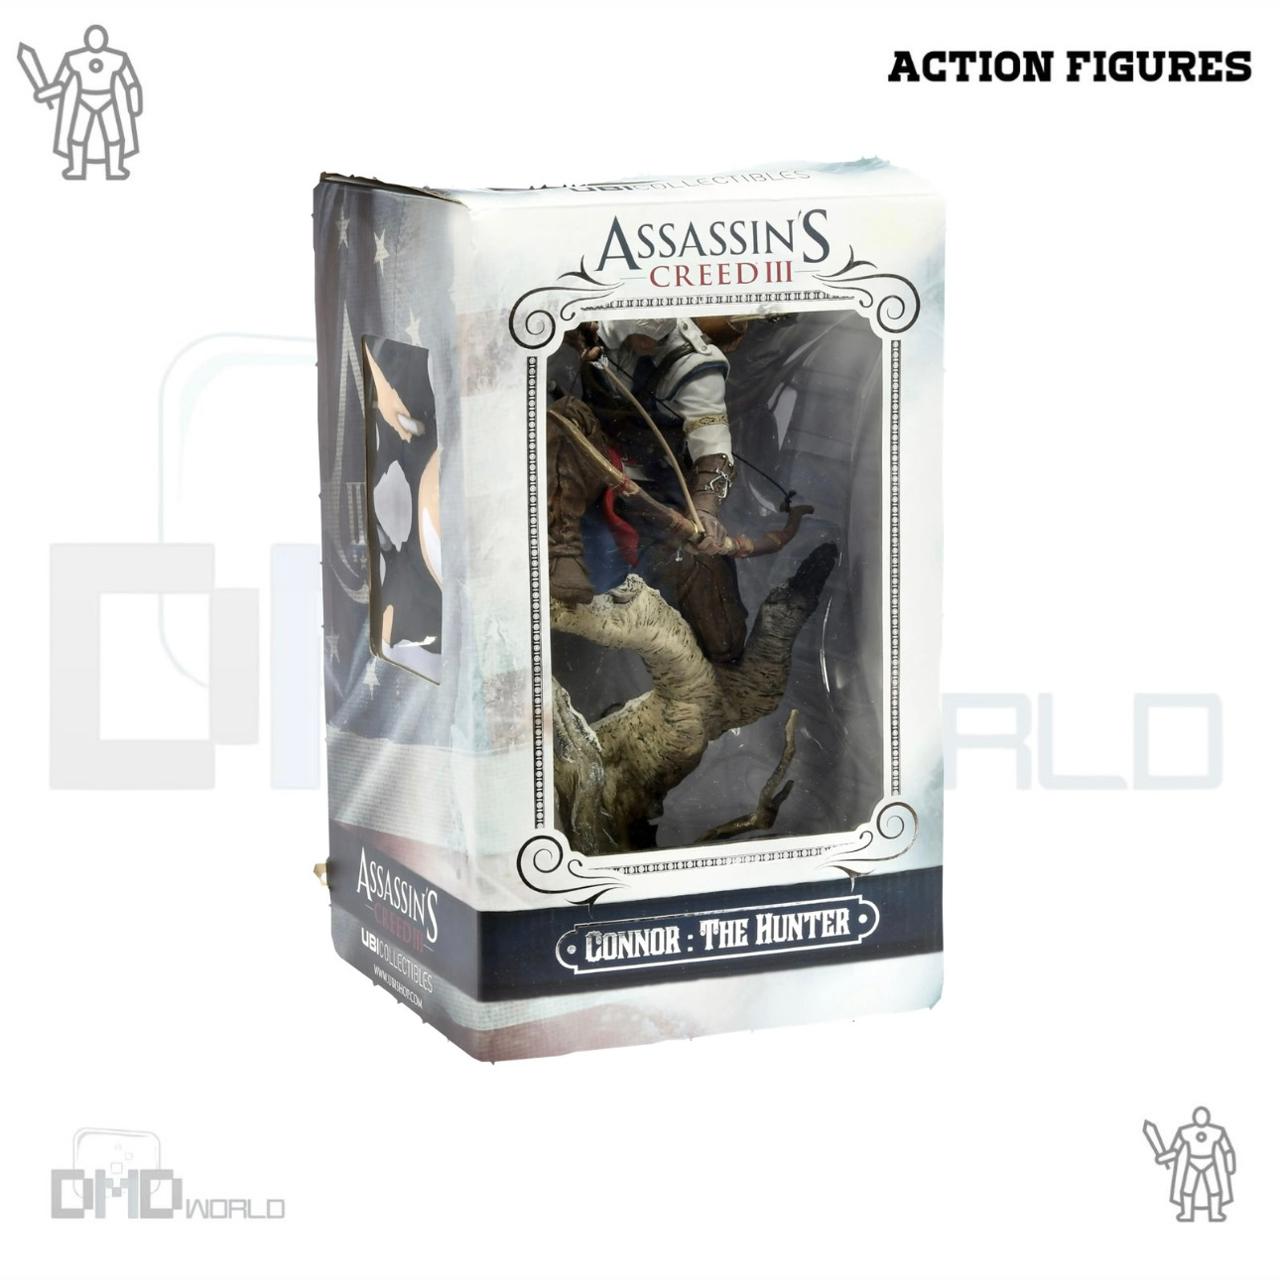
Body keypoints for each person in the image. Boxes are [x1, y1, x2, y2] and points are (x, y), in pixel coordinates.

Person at [548, 315, 752, 664]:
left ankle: (725, 653)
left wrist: (704, 510)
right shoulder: (602, 326)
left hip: (657, 476)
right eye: (637, 336)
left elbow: (713, 448)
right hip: (592, 455)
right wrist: (573, 330)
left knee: (705, 578)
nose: (643, 344)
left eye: (652, 339)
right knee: (567, 414)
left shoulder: (697, 367)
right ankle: (562, 553)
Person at [33, 26, 142, 180]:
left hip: (107, 100)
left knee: (114, 136)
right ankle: (76, 169)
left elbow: (131, 83)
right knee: (77, 136)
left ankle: (115, 169)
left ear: (104, 40)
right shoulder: (73, 58)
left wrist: (135, 104)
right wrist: (44, 94)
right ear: (87, 39)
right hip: (85, 101)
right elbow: (61, 84)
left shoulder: (117, 58)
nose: (95, 41)